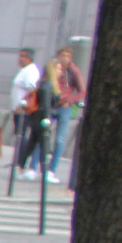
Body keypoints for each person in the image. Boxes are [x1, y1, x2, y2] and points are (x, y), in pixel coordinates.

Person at [49, 46, 87, 185]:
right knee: (42, 135)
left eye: (67, 56)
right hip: (50, 105)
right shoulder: (52, 68)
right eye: (62, 55)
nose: (64, 58)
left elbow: (82, 91)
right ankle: (33, 167)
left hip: (64, 107)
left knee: (60, 139)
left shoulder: (74, 71)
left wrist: (70, 100)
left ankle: (51, 169)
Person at [8, 47, 46, 179]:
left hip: (23, 109)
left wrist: (21, 104)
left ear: (29, 58)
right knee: (19, 135)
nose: (20, 58)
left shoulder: (30, 71)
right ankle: (18, 161)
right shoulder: (23, 70)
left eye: (22, 56)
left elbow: (32, 89)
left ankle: (21, 163)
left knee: (22, 135)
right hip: (18, 109)